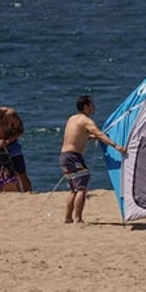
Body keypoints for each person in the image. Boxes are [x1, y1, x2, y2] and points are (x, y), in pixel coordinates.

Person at [60, 95, 126, 224]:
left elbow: (76, 135)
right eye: (92, 105)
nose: (94, 108)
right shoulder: (86, 120)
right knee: (81, 188)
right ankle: (78, 218)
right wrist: (116, 146)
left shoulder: (72, 119)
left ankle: (68, 218)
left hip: (63, 156)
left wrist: (90, 137)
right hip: (74, 157)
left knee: (73, 189)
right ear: (86, 106)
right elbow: (99, 134)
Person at [0, 100, 32, 193]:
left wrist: (7, 141)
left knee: (21, 173)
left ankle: (29, 193)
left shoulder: (10, 114)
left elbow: (20, 130)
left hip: (12, 145)